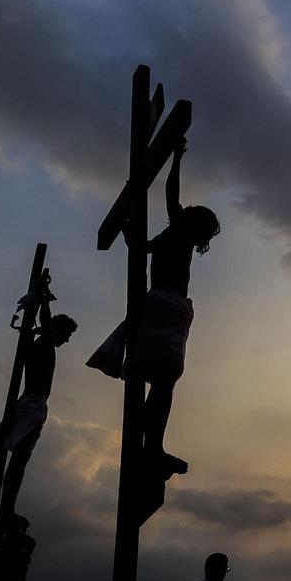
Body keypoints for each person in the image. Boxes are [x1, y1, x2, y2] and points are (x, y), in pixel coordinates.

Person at [89, 138, 220, 477]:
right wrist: (128, 225)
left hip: (162, 306)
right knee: (163, 380)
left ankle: (150, 448)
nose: (183, 209)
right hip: (170, 309)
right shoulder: (177, 238)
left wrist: (176, 158)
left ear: (192, 221)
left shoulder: (179, 231)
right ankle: (151, 448)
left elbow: (170, 196)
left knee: (155, 377)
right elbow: (140, 244)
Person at [0, 270, 77, 527]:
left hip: (34, 405)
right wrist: (43, 296)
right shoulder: (43, 343)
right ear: (55, 330)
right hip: (31, 404)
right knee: (19, 461)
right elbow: (45, 321)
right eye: (65, 335)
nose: (65, 341)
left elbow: (45, 324)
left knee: (20, 461)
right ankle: (5, 511)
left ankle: (6, 508)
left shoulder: (42, 344)